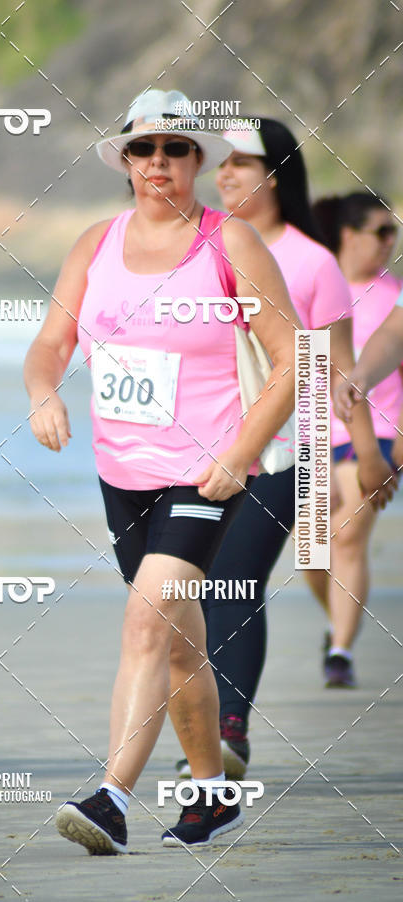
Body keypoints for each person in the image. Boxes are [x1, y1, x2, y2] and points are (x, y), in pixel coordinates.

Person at [24, 90, 299, 854]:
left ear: (195, 161)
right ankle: (211, 793)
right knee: (179, 642)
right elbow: (50, 343)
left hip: (206, 473)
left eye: (175, 149)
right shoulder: (94, 243)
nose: (158, 162)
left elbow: (291, 362)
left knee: (147, 620)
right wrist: (43, 393)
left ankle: (111, 797)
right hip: (122, 474)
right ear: (125, 161)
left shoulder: (231, 243)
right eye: (143, 149)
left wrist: (239, 454)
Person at [174, 121, 395, 784]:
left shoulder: (311, 261)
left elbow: (339, 366)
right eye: (224, 163)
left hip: (283, 452)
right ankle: (210, 727)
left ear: (278, 175)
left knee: (235, 580)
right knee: (188, 592)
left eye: (245, 163)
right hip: (192, 453)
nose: (228, 174)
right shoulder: (196, 245)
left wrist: (367, 455)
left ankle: (229, 730)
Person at [304, 192, 402, 688]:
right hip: (313, 434)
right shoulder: (317, 285)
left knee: (347, 537)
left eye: (394, 233)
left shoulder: (394, 295)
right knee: (312, 550)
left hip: (379, 434)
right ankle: (336, 621)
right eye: (380, 231)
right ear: (348, 234)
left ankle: (340, 652)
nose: (390, 242)